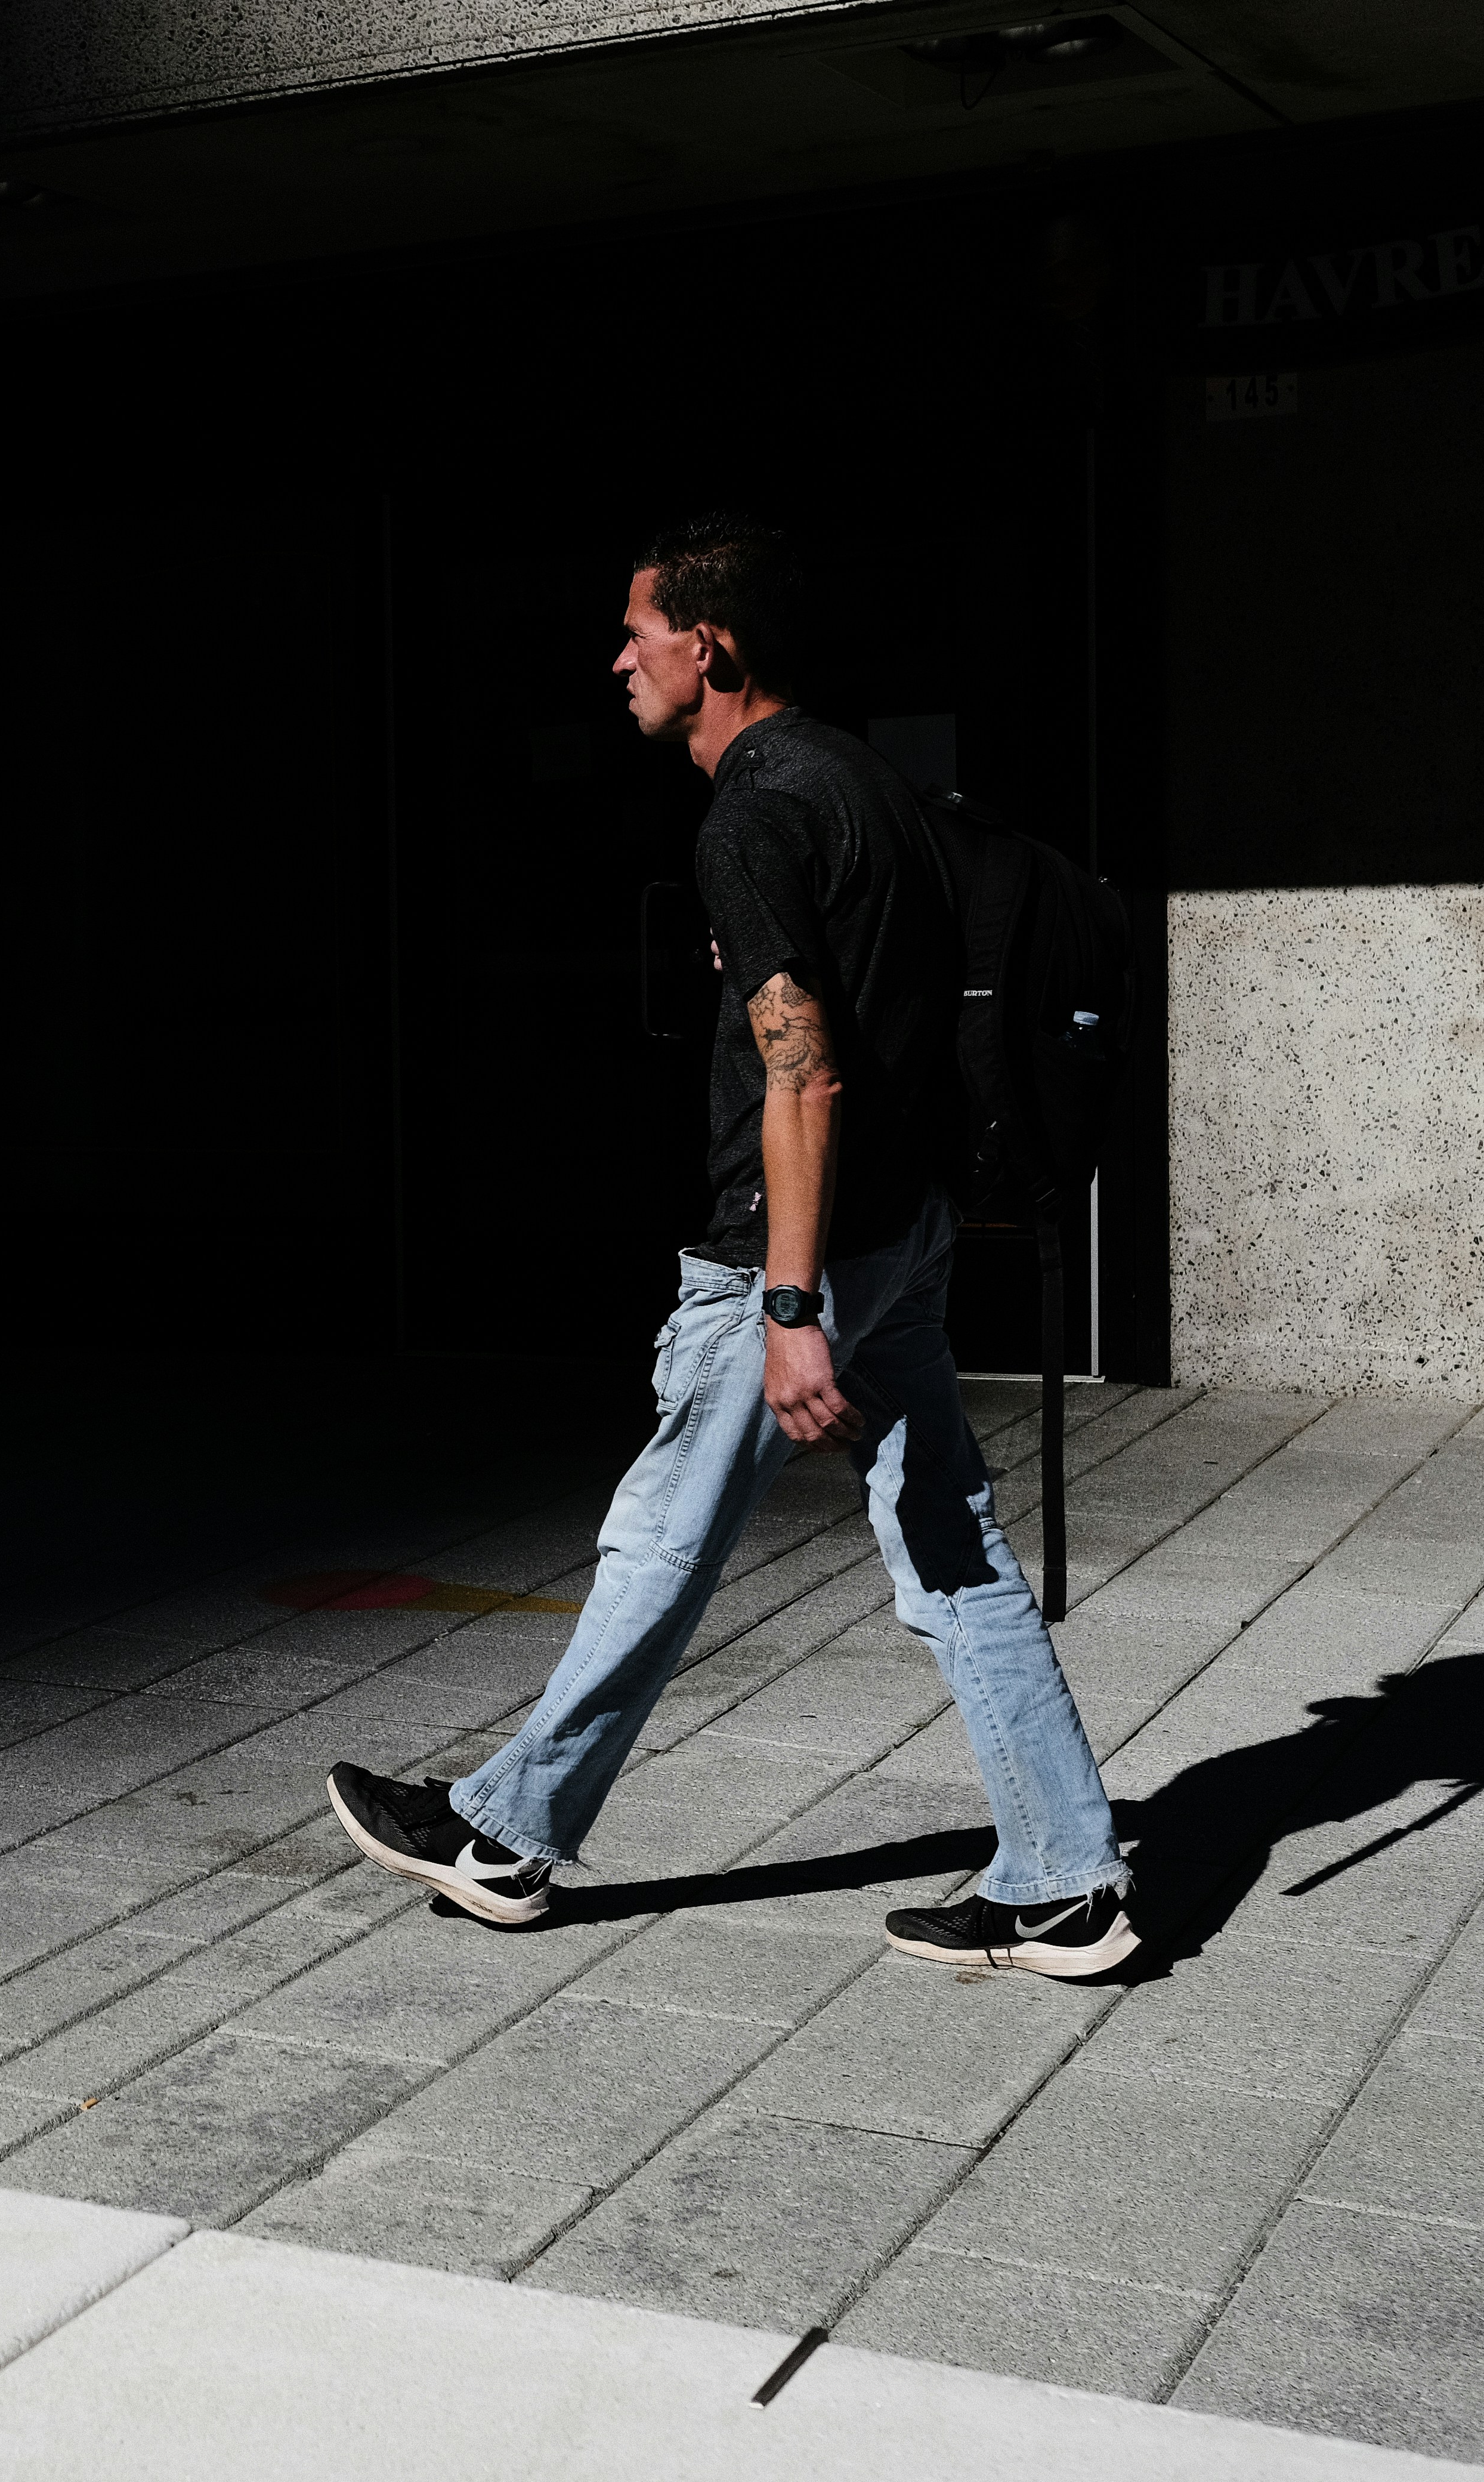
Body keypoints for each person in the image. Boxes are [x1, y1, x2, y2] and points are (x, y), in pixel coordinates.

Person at [326, 514, 1137, 1977]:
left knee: (661, 1542)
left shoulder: (750, 811)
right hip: (901, 1235)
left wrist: (782, 1299)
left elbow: (806, 1066)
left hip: (798, 1247)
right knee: (953, 1554)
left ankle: (502, 1837)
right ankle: (1066, 1877)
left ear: (707, 648)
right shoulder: (863, 783)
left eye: (636, 631)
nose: (617, 656)